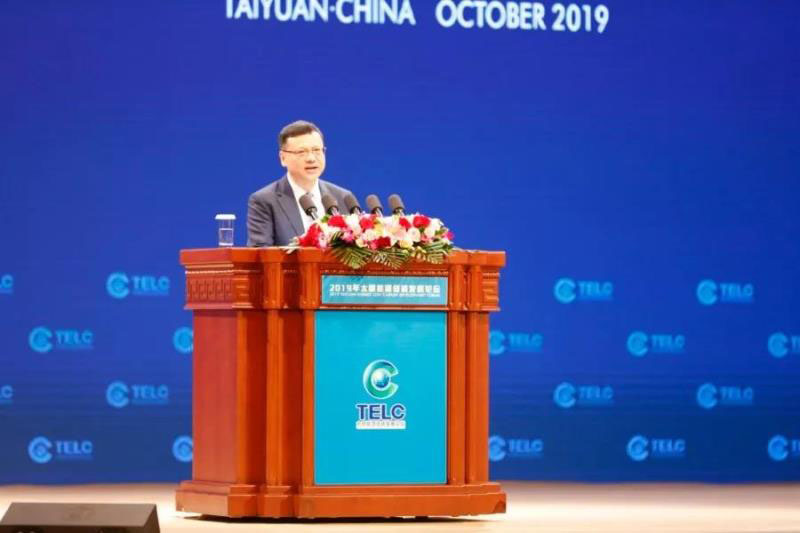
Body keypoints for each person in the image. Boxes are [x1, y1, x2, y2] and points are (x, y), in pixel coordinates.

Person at [247, 120, 354, 247]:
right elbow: (260, 253)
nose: (311, 158)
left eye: (316, 150)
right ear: (283, 158)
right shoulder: (265, 201)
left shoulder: (342, 197)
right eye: (301, 152)